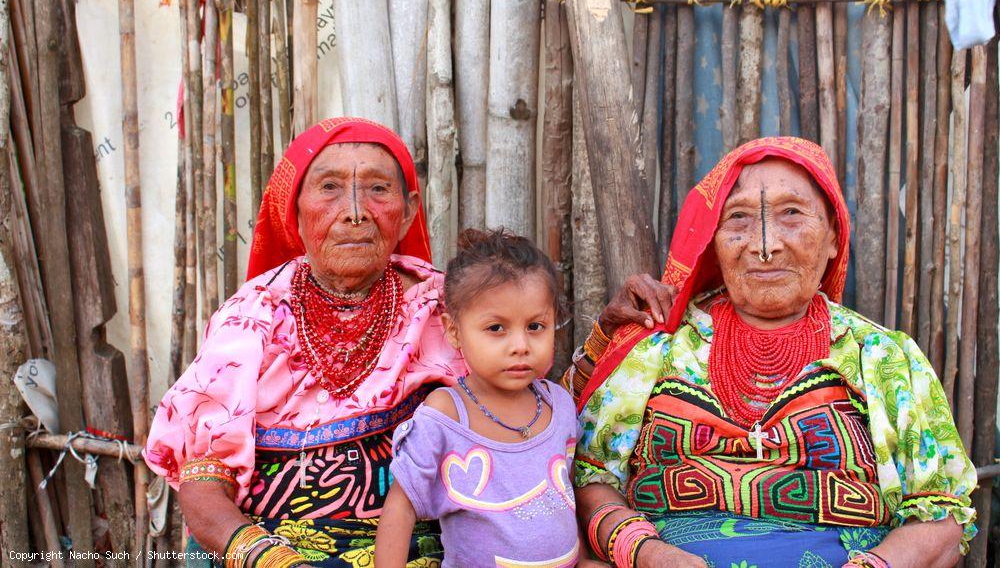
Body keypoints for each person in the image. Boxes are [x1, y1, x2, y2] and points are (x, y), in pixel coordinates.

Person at [569, 137, 977, 568]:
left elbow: (945, 516)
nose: (765, 245)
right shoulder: (656, 347)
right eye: (738, 218)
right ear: (713, 240)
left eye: (792, 214)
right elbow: (588, 478)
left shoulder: (881, 356)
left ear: (835, 236)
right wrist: (648, 554)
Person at [144, 118, 466, 567]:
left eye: (378, 189)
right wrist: (266, 558)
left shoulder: (446, 309)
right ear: (294, 209)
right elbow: (203, 476)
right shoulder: (251, 316)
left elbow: (516, 417)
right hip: (271, 549)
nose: (355, 211)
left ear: (409, 209)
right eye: (329, 187)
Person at [375, 229, 599, 568]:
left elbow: (562, 494)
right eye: (496, 328)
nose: (521, 345)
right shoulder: (446, 415)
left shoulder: (559, 406)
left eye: (536, 326)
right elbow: (401, 508)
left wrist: (582, 560)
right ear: (454, 331)